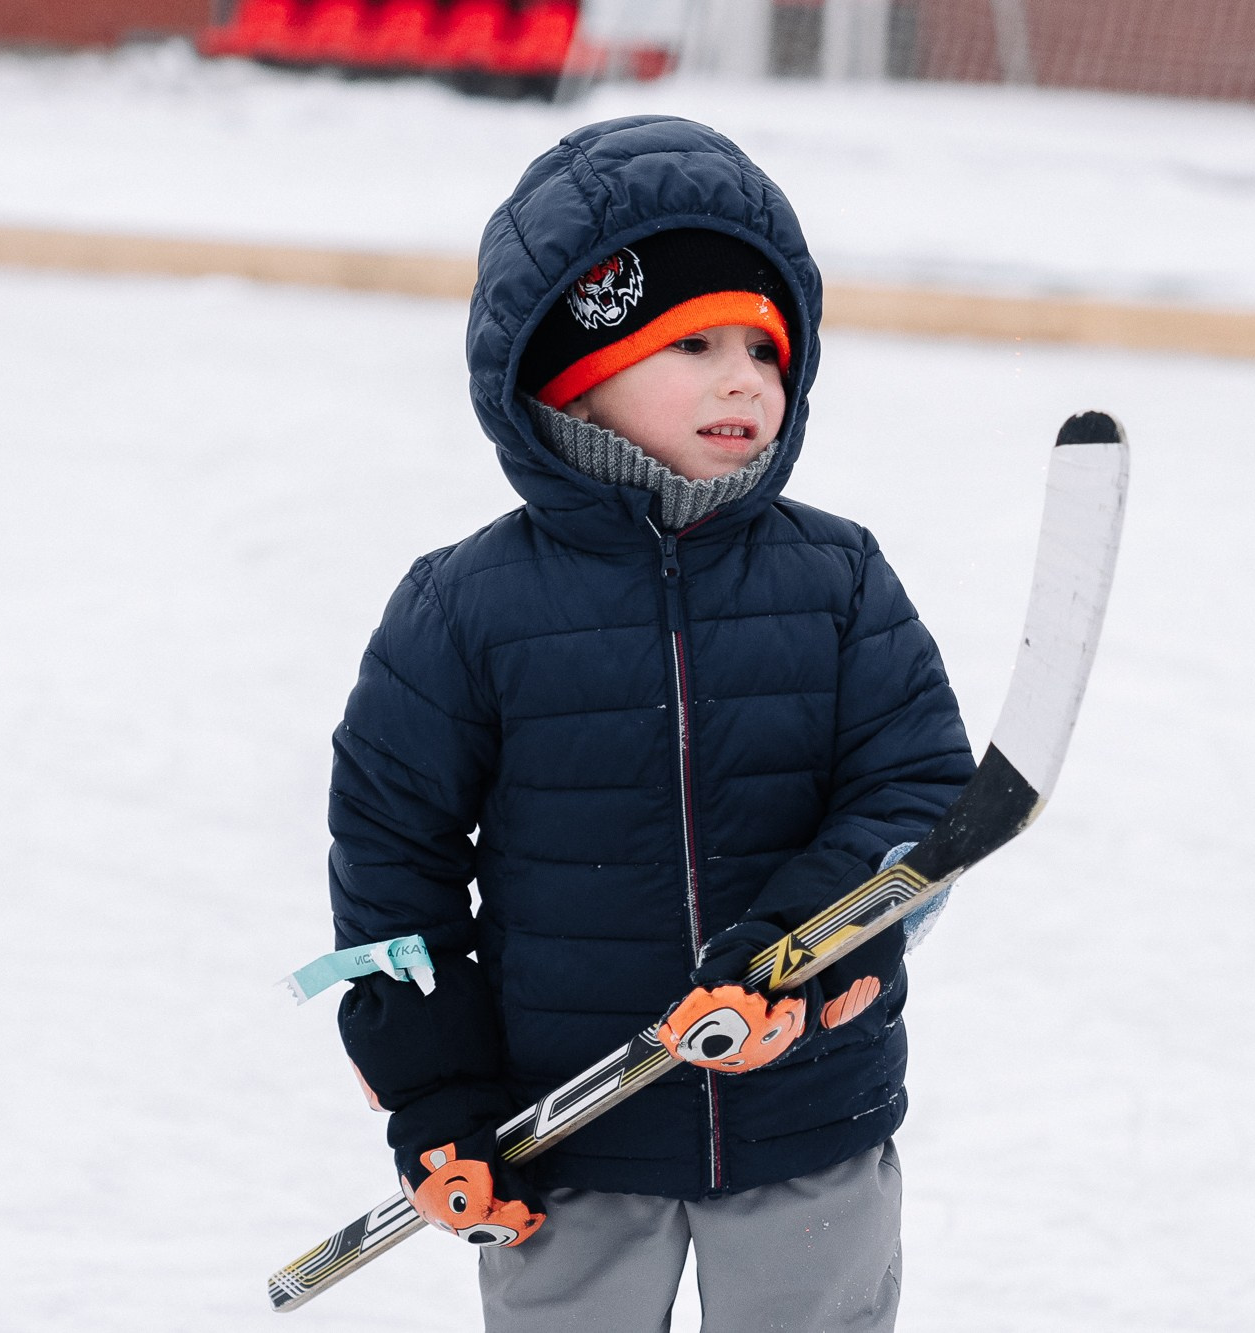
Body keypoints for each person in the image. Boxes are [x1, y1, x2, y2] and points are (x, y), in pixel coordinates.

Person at [324, 116, 974, 1330]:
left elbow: (917, 799)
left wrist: (800, 951)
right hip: (568, 1132)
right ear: (571, 372)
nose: (746, 380)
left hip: (803, 1115)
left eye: (766, 351)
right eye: (693, 344)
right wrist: (439, 1094)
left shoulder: (837, 580)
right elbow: (390, 868)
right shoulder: (466, 605)